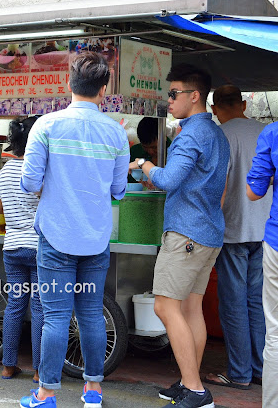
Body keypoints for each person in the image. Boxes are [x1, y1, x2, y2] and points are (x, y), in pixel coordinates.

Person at [19, 51, 129, 408]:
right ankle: (93, 391)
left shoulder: (46, 126)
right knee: (91, 315)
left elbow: (28, 181)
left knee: (54, 317)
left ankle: (46, 393)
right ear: (104, 89)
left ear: (69, 84)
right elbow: (118, 191)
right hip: (96, 240)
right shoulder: (116, 133)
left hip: (55, 238)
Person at [130, 64, 229, 408]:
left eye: (174, 94)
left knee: (164, 305)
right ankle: (192, 382)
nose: (169, 101)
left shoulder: (190, 134)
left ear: (194, 96)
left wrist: (143, 165)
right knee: (191, 309)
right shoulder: (216, 133)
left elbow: (168, 180)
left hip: (186, 233)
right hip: (209, 232)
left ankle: (196, 391)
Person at [203, 85, 269, 390]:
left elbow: (219, 189)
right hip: (265, 231)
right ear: (243, 104)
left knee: (232, 304)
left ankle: (239, 373)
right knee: (257, 302)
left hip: (233, 231)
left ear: (215, 109)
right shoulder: (267, 131)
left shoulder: (222, 136)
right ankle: (259, 370)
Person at [0, 116, 43, 383]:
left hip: (12, 247)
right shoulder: (40, 168)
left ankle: (8, 366)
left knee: (14, 305)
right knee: (38, 307)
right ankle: (38, 370)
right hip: (37, 247)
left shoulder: (6, 170)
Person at [247, 117, 278, 408]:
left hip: (277, 242)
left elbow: (253, 192)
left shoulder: (272, 132)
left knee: (276, 333)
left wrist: (270, 177)